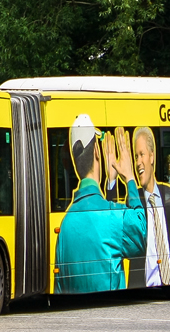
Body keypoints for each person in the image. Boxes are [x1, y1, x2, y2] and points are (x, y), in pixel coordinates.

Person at [53, 118, 147, 294]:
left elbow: (59, 291)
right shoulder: (111, 216)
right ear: (97, 152)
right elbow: (141, 233)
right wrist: (130, 178)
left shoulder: (64, 226)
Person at [128, 127, 170, 289]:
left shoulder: (169, 195)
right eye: (135, 156)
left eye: (142, 154)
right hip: (143, 281)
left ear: (152, 156)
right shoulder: (134, 198)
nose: (138, 162)